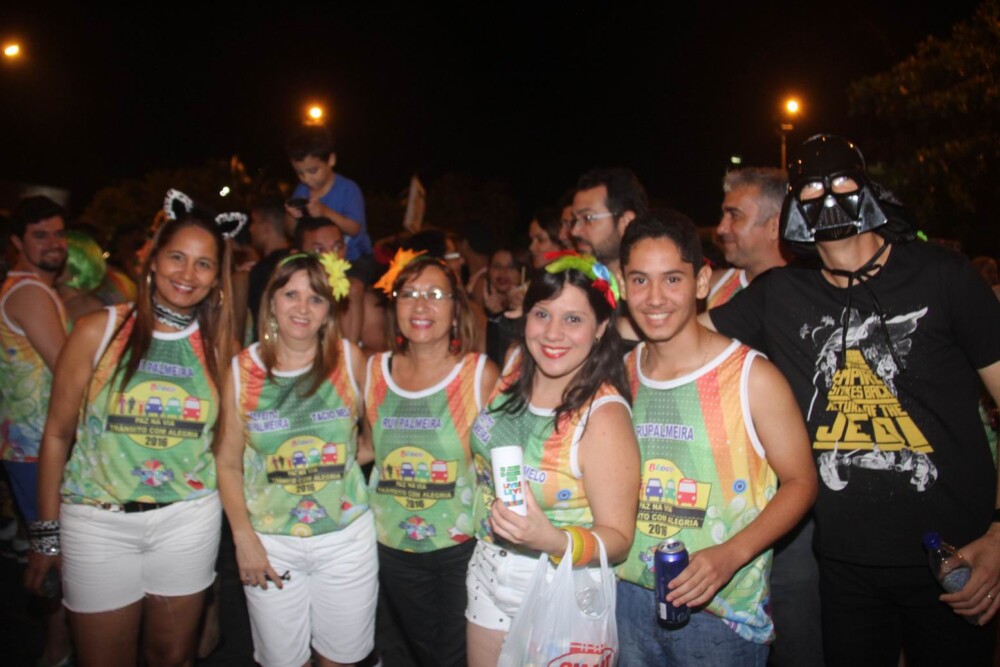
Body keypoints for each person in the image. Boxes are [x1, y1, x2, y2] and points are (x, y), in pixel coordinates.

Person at [703, 135, 1000, 666]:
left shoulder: (944, 276)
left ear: (869, 189)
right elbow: (681, 340)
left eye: (840, 182)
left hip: (957, 559)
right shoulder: (780, 294)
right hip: (845, 569)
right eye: (811, 189)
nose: (828, 198)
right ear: (794, 209)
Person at [27, 189, 239, 667]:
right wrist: (46, 537)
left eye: (203, 264)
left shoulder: (220, 348)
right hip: (97, 523)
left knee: (171, 657)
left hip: (187, 521)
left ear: (216, 277)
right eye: (177, 257)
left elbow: (228, 447)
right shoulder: (98, 330)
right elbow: (56, 435)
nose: (187, 274)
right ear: (153, 259)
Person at [615, 212, 817, 666]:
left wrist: (731, 554)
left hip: (720, 614)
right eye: (640, 280)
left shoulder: (752, 376)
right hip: (625, 600)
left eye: (672, 279)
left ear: (702, 281)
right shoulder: (621, 373)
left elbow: (802, 481)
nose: (655, 297)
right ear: (623, 286)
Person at [465, 251, 640, 667]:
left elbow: (619, 538)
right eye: (542, 314)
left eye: (573, 319)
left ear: (601, 327)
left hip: (560, 584)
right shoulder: (514, 367)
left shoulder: (603, 416)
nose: (553, 333)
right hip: (488, 568)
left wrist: (553, 540)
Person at [215, 252, 375, 667]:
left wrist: (334, 465)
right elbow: (228, 463)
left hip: (345, 541)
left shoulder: (349, 360)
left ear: (328, 311)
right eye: (291, 295)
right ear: (271, 301)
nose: (302, 308)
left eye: (316, 298)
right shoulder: (242, 370)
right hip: (270, 544)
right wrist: (243, 540)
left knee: (340, 660)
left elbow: (374, 442)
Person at [362, 249, 498, 667]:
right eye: (409, 294)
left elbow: (502, 462)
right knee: (423, 650)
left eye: (435, 295)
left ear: (456, 310)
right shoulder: (372, 371)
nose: (420, 305)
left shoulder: (479, 374)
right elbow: (366, 447)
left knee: (455, 655)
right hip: (393, 544)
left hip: (463, 547)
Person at [1, 195, 72, 667]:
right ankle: (58, 651)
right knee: (54, 551)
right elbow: (67, 367)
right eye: (40, 235)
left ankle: (59, 646)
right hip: (35, 450)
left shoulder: (29, 288)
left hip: (31, 446)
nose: (53, 243)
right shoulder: (29, 292)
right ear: (17, 242)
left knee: (55, 549)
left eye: (58, 233)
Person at [285, 126, 377, 288]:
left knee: (352, 289)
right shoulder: (301, 191)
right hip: (317, 260)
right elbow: (292, 232)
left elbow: (355, 229)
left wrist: (324, 212)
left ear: (331, 160)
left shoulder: (348, 189)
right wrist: (291, 215)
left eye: (313, 171)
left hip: (354, 258)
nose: (306, 178)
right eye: (300, 173)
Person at [569, 167, 649, 348]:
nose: (575, 231)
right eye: (575, 220)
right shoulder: (578, 284)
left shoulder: (652, 294)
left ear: (626, 222)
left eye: (588, 218)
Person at [708, 167, 789, 308]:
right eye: (723, 216)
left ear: (774, 227)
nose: (721, 228)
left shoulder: (811, 294)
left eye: (735, 216)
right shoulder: (708, 289)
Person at [295, 216, 365, 346]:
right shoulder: (287, 293)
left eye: (337, 247)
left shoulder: (353, 291)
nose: (331, 256)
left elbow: (349, 352)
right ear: (297, 254)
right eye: (319, 250)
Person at [247, 195, 292, 337]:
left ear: (265, 228)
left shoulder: (262, 271)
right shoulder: (299, 262)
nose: (250, 229)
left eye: (253, 222)